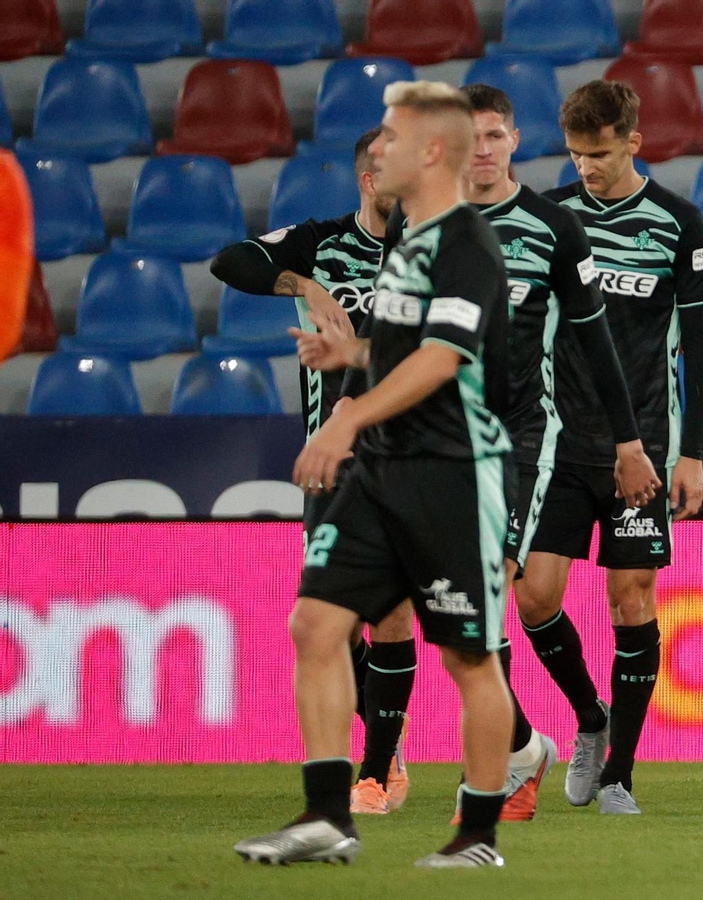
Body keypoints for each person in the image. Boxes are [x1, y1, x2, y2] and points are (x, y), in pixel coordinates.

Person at [234, 81, 517, 868]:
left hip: (452, 473)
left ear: (431, 151)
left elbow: (442, 358)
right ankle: (328, 816)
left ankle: (478, 836)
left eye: (391, 137)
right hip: (381, 471)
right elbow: (402, 347)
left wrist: (347, 417)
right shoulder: (408, 243)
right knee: (315, 624)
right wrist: (350, 353)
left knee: (469, 659)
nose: (376, 152)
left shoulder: (465, 243)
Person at [455, 82, 661, 820]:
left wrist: (636, 442)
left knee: (503, 592)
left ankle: (538, 769)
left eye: (494, 135)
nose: (482, 150)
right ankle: (566, 727)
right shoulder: (420, 221)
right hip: (442, 441)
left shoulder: (552, 227)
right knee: (505, 605)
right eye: (469, 137)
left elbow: (598, 342)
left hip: (530, 439)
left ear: (513, 140)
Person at [515, 79, 703, 815]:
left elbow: (702, 345)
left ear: (633, 142)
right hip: (559, 444)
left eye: (598, 154)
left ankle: (619, 775)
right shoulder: (549, 218)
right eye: (576, 154)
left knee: (631, 599)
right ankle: (589, 717)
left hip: (647, 447)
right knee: (533, 597)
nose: (586, 168)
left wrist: (690, 454)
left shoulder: (679, 223)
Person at [210, 128, 417, 815]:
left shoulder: (433, 249)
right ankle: (388, 737)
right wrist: (305, 284)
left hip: (411, 455)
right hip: (333, 460)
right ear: (369, 180)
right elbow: (230, 261)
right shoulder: (321, 243)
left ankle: (377, 772)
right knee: (330, 621)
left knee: (393, 615)